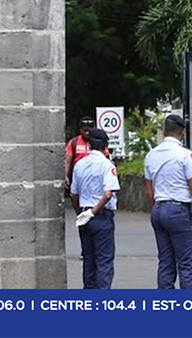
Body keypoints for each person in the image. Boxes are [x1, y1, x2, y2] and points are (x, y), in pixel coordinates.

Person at [144, 114, 192, 289]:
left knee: (165, 262)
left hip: (158, 210)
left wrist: (158, 209)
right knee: (186, 264)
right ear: (183, 132)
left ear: (164, 131)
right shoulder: (185, 155)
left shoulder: (151, 155)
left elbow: (149, 192)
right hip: (178, 211)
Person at [70, 128, 120, 289]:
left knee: (89, 260)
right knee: (104, 261)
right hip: (101, 216)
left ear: (89, 145)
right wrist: (93, 212)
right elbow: (108, 194)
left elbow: (73, 194)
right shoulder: (107, 165)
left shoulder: (79, 165)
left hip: (84, 215)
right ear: (105, 146)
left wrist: (81, 213)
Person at [64, 116, 96, 193]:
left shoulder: (97, 142)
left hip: (94, 175)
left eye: (89, 130)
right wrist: (65, 175)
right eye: (85, 130)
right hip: (79, 175)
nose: (87, 133)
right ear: (80, 130)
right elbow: (68, 161)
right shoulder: (73, 142)